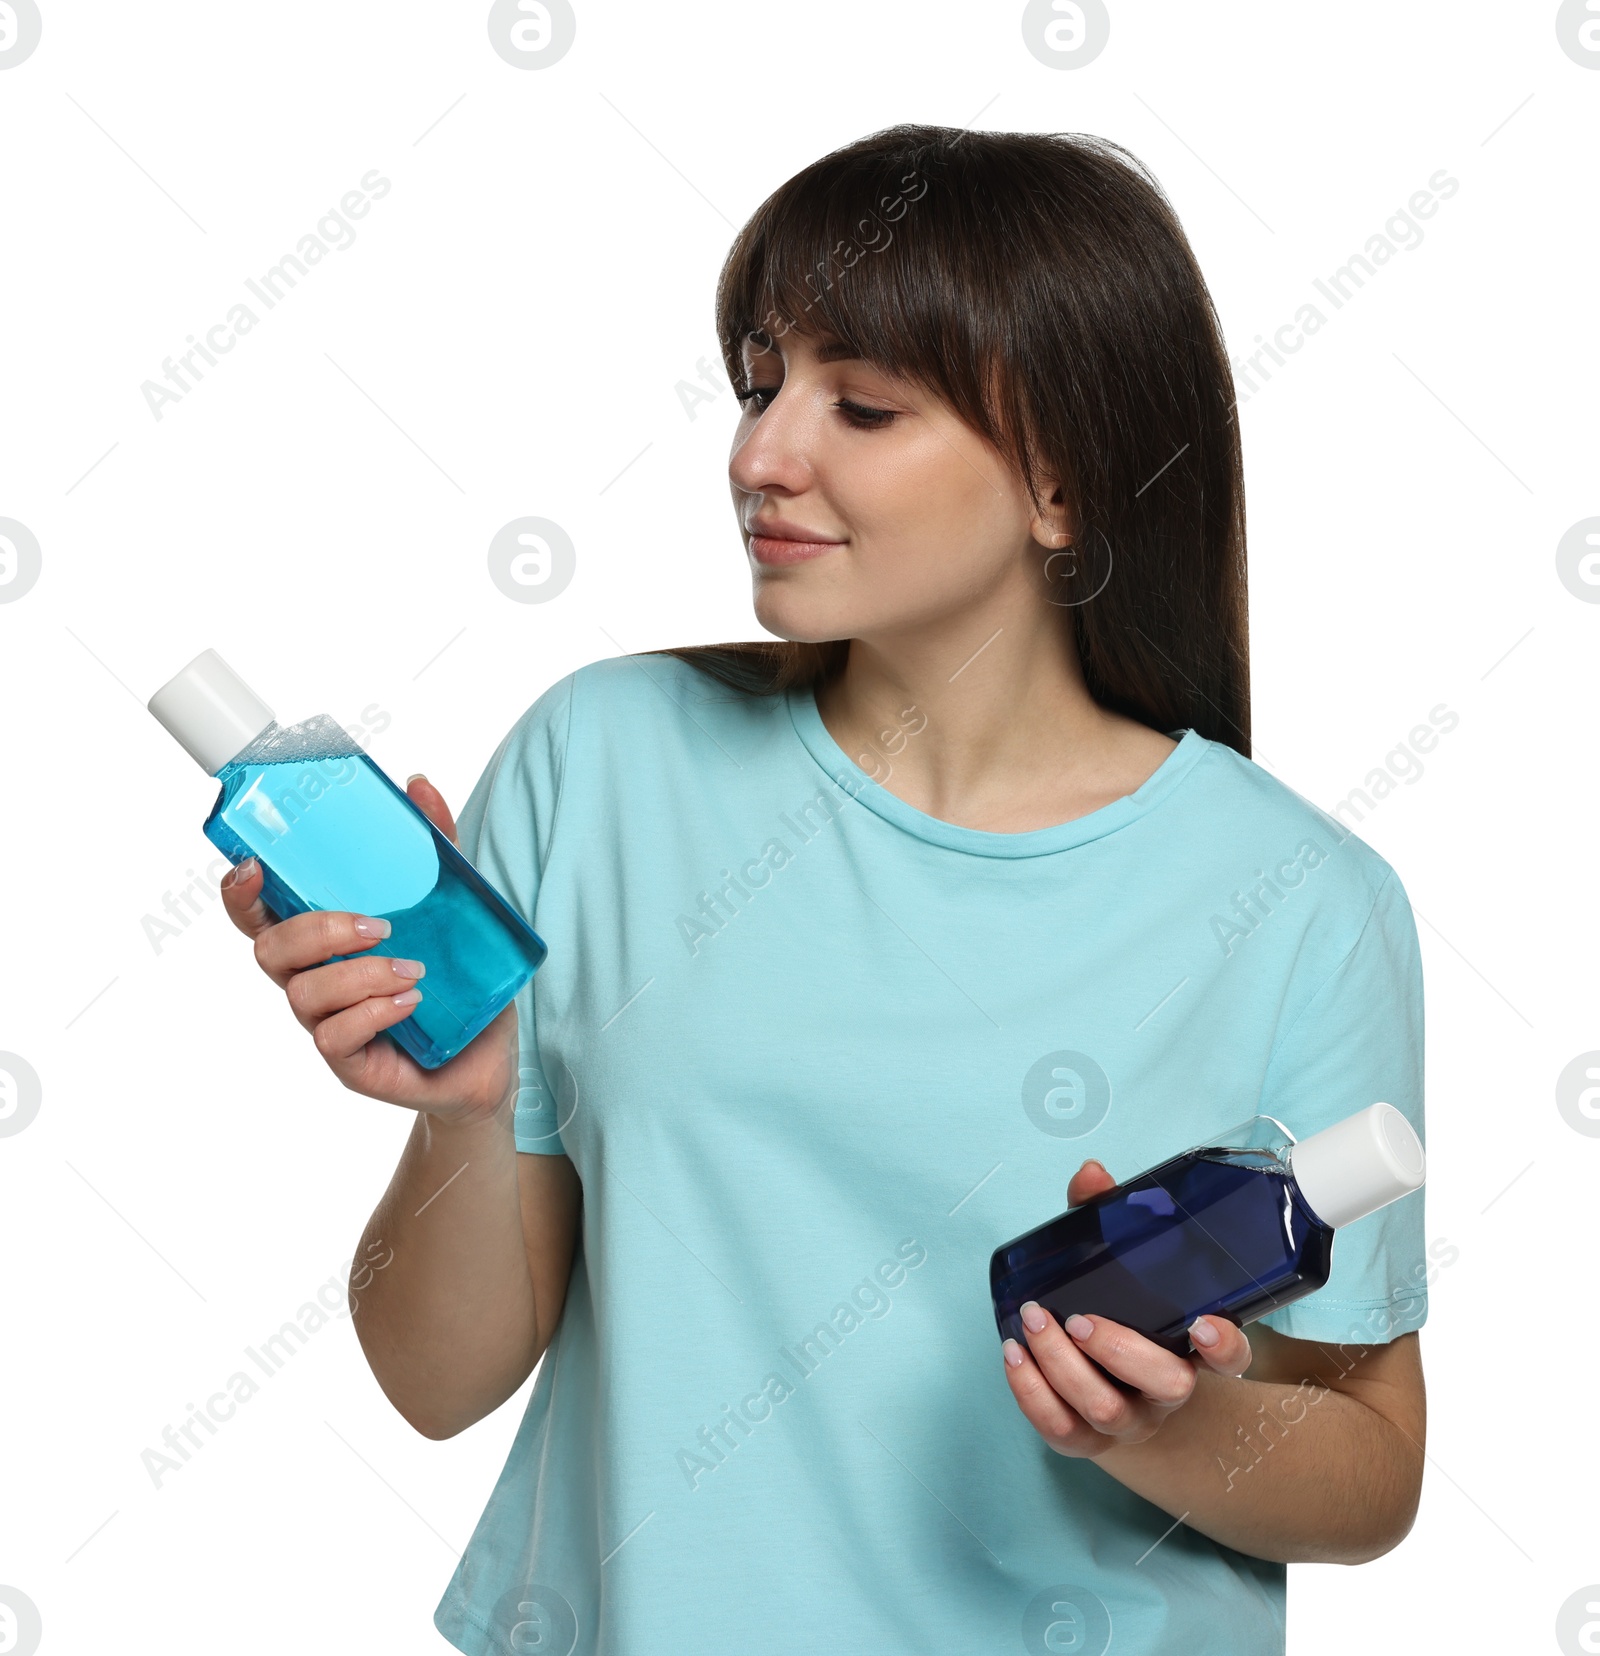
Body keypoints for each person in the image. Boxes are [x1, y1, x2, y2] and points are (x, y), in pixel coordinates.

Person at [220, 123, 1429, 1656]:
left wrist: (1171, 1431)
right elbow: (435, 1385)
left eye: (858, 404)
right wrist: (463, 1111)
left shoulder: (1300, 898)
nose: (760, 456)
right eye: (759, 383)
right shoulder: (605, 762)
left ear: (1062, 484)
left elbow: (1374, 1463)